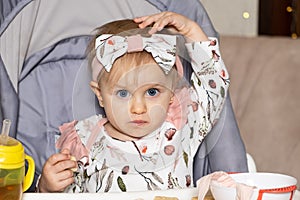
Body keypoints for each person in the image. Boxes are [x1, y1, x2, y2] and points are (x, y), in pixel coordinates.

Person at [37, 11, 230, 193]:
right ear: (100, 95)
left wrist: (190, 30)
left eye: (152, 92)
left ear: (172, 93)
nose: (138, 108)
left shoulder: (181, 126)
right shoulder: (85, 139)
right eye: (122, 94)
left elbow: (214, 85)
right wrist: (47, 188)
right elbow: (70, 195)